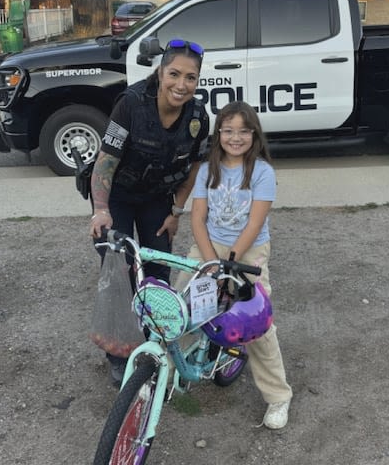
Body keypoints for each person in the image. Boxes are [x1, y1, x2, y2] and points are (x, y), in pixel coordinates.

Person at [87, 38, 211, 385]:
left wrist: (176, 210)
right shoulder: (129, 104)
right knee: (122, 271)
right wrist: (100, 210)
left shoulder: (199, 117)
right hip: (118, 197)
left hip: (158, 197)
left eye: (191, 77)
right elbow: (105, 162)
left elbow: (196, 167)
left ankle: (153, 343)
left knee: (157, 270)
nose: (181, 85)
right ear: (161, 71)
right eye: (174, 74)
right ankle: (118, 353)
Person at [183, 100, 293, 430]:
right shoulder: (206, 169)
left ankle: (278, 396)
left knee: (257, 323)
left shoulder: (262, 172)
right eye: (228, 131)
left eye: (243, 131)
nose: (235, 137)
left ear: (254, 134)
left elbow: (255, 224)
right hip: (209, 247)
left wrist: (229, 265)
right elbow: (198, 218)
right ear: (218, 134)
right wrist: (211, 263)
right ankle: (173, 368)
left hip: (248, 250)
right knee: (183, 306)